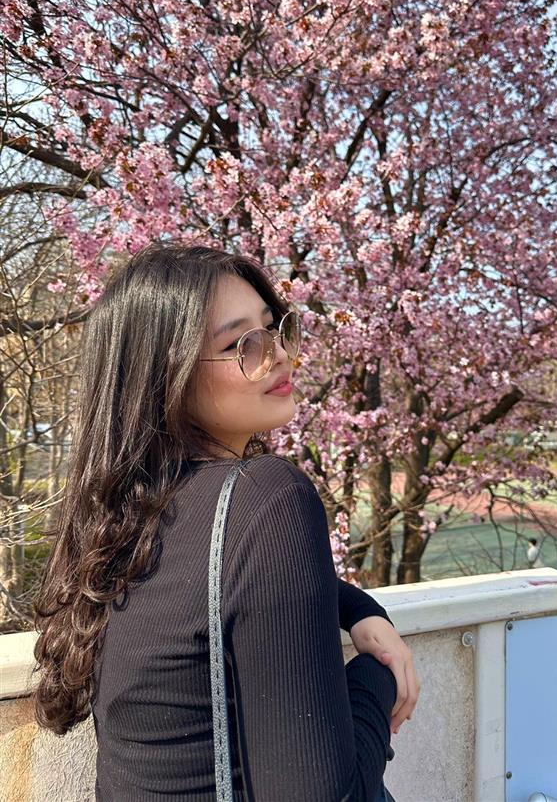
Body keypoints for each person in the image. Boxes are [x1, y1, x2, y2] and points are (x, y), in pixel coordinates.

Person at [32, 242, 419, 800]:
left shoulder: (122, 524)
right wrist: (377, 676)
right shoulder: (269, 497)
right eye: (243, 345)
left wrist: (356, 607)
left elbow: (219, 585)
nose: (279, 354)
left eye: (276, 329)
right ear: (168, 376)